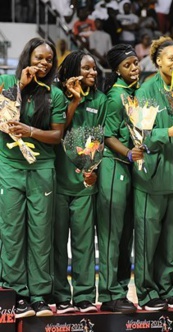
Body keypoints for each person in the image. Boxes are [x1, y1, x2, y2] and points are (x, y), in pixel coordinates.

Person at [0, 38, 67, 318]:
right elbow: (2, 119)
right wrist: (20, 88)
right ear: (27, 56)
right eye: (39, 57)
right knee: (12, 233)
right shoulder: (6, 82)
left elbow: (57, 136)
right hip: (10, 167)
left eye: (49, 59)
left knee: (41, 234)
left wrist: (30, 131)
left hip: (42, 169)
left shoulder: (55, 93)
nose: (44, 63)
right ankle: (17, 294)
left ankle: (39, 295)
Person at [133, 36, 173, 311]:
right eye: (172, 58)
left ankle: (167, 288)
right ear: (158, 61)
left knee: (170, 241)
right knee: (148, 240)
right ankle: (146, 293)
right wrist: (168, 133)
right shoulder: (146, 90)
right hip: (152, 178)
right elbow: (140, 135)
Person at [54, 50, 106, 314]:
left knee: (84, 244)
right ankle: (62, 296)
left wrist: (92, 168)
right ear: (73, 69)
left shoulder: (101, 99)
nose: (92, 73)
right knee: (58, 245)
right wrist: (73, 101)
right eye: (86, 68)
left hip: (86, 183)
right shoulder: (56, 97)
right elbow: (58, 131)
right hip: (57, 181)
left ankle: (84, 296)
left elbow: (100, 140)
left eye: (95, 69)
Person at [97, 44, 143, 313]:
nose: (134, 68)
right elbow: (107, 135)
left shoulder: (137, 93)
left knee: (125, 236)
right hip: (114, 167)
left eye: (136, 63)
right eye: (128, 65)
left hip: (130, 169)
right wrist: (129, 153)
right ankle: (109, 294)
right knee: (113, 235)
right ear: (116, 70)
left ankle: (121, 291)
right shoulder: (115, 97)